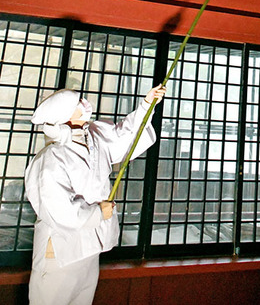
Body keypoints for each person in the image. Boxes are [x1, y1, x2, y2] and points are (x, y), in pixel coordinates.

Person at [24, 85, 166, 305]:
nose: (84, 104)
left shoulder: (94, 138)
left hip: (91, 246)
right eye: (76, 104)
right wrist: (97, 213)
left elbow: (125, 135)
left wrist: (147, 105)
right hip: (62, 250)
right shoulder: (53, 156)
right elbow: (57, 208)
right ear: (62, 115)